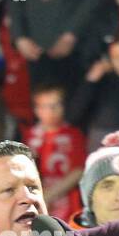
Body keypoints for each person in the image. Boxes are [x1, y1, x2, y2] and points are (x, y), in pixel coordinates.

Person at [25, 84, 86, 223]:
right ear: (36, 109)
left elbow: (78, 171)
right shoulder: (28, 134)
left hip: (66, 204)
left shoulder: (73, 135)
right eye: (44, 106)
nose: (50, 111)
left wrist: (49, 195)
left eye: (55, 105)